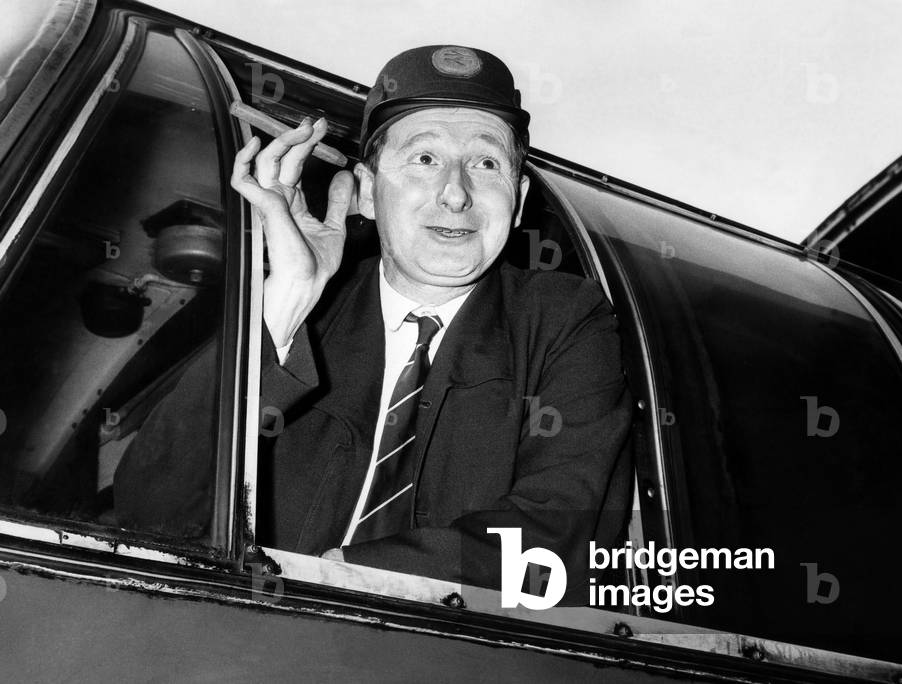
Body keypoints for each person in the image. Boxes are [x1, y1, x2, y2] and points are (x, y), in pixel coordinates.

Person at [115, 45, 631, 598]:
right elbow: (152, 509)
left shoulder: (564, 319)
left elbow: (553, 543)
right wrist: (286, 302)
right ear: (365, 189)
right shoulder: (312, 314)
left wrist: (335, 580)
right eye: (425, 159)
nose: (456, 193)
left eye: (486, 163)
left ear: (519, 199)